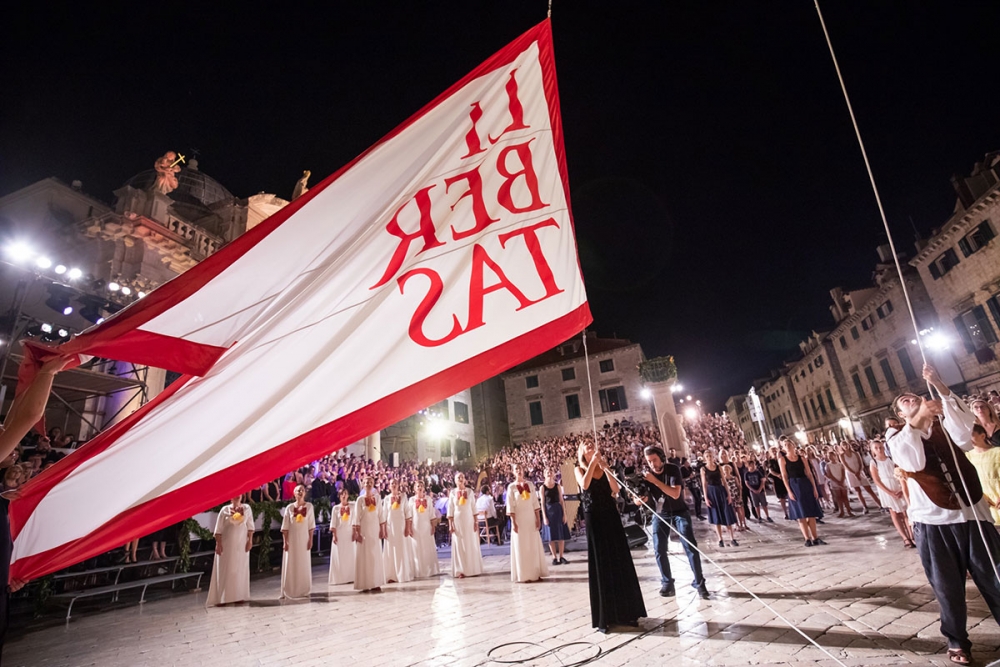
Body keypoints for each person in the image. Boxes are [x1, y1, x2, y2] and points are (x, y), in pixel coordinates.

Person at [889, 364, 1000, 665]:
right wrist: (920, 417)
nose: (914, 401)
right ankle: (957, 641)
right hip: (935, 522)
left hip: (973, 515)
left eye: (916, 397)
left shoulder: (945, 423)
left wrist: (939, 385)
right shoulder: (898, 437)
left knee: (996, 576)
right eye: (906, 402)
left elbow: (966, 433)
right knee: (948, 587)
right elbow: (910, 458)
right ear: (901, 415)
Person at [575, 440, 646, 633]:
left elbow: (615, 490)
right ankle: (604, 617)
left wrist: (606, 469)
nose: (591, 446)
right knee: (600, 562)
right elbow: (585, 484)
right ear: (582, 452)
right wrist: (592, 464)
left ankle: (626, 612)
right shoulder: (579, 469)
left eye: (592, 444)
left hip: (609, 514)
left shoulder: (603, 465)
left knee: (618, 559)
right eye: (587, 446)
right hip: (594, 518)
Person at [640, 446, 709, 599]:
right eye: (649, 462)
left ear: (662, 458)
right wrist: (639, 499)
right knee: (659, 548)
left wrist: (655, 481)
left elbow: (675, 493)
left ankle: (699, 582)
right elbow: (643, 498)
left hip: (679, 511)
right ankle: (667, 582)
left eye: (654, 460)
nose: (652, 465)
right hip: (660, 513)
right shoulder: (646, 475)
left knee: (690, 545)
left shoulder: (673, 469)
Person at [207, 495, 254, 606]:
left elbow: (250, 526)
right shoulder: (225, 510)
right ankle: (222, 597)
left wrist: (250, 541)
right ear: (230, 498)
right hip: (226, 544)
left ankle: (238, 595)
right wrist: (218, 544)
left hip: (241, 545)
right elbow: (218, 529)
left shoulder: (247, 508)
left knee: (239, 569)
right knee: (225, 569)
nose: (237, 496)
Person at [779, 437, 825, 547]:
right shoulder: (783, 460)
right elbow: (784, 476)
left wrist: (814, 488)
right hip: (794, 485)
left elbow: (809, 473)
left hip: (805, 484)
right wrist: (789, 491)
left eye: (789, 444)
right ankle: (807, 538)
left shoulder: (802, 458)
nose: (788, 446)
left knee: (811, 513)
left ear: (794, 445)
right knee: (801, 514)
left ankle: (815, 537)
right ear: (784, 448)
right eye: (785, 445)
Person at [506, 464, 547, 583]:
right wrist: (513, 522)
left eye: (520, 469)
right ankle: (523, 574)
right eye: (516, 469)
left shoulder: (529, 485)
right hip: (519, 519)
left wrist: (538, 519)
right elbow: (511, 506)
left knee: (532, 545)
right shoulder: (511, 487)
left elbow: (535, 502)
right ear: (513, 472)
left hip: (530, 518)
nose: (519, 471)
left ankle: (535, 572)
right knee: (521, 546)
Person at [868, 439, 914, 548]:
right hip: (886, 487)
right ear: (872, 450)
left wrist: (901, 489)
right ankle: (905, 538)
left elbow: (899, 472)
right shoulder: (873, 462)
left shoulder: (891, 459)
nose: (879, 449)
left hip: (896, 485)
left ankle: (912, 535)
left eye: (881, 447)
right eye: (876, 448)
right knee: (894, 513)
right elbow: (876, 480)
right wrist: (890, 492)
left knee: (905, 512)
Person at [280, 484, 315, 599]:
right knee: (291, 562)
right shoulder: (289, 508)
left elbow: (311, 525)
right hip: (292, 540)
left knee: (302, 562)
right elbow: (285, 526)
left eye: (302, 490)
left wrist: (311, 539)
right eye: (298, 490)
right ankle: (290, 588)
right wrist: (285, 542)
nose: (300, 492)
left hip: (304, 538)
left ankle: (303, 589)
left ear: (305, 493)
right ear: (294, 493)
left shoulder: (309, 507)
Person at [352, 475, 387, 592]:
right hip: (364, 530)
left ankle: (376, 582)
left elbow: (381, 514)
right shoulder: (360, 500)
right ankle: (365, 583)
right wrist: (357, 533)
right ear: (363, 484)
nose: (368, 484)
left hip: (375, 530)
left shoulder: (377, 498)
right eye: (366, 482)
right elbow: (356, 517)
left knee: (375, 555)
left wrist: (382, 529)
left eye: (370, 482)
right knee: (364, 556)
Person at [447, 472, 484, 578]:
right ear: (455, 480)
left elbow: (473, 507)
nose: (461, 478)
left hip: (469, 520)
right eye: (458, 477)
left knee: (470, 542)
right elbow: (450, 509)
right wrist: (450, 524)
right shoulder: (453, 493)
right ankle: (460, 570)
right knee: (459, 544)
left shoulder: (469, 491)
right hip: (458, 520)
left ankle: (472, 569)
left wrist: (476, 521)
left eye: (462, 477)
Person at [702, 449, 738, 547]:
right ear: (705, 458)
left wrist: (729, 494)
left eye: (711, 455)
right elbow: (704, 484)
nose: (709, 458)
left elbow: (724, 481)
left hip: (720, 490)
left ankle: (732, 538)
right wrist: (706, 497)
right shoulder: (703, 469)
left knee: (727, 513)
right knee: (716, 515)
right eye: (707, 456)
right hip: (711, 492)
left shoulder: (718, 467)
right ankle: (720, 539)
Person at [382, 478, 415, 584]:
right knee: (391, 550)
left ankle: (402, 574)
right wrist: (383, 530)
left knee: (401, 549)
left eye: (396, 483)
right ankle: (391, 575)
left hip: (401, 527)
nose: (394, 485)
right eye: (392, 483)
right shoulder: (387, 499)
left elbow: (407, 513)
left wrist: (408, 528)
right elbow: (384, 515)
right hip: (390, 528)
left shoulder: (403, 497)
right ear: (389, 486)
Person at [967, 425, 1000, 526]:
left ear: (982, 436)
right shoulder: (968, 456)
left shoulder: (997, 452)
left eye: (971, 435)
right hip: (985, 502)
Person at [409, 481, 440, 578]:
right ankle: (418, 571)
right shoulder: (411, 500)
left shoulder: (428, 499)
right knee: (416, 547)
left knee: (427, 547)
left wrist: (433, 526)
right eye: (418, 486)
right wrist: (409, 527)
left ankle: (428, 570)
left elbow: (431, 513)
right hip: (415, 526)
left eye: (422, 486)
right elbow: (409, 515)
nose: (420, 487)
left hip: (426, 526)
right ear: (414, 488)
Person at [539, 466, 570, 565]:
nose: (549, 473)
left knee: (561, 535)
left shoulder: (557, 486)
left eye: (551, 471)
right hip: (548, 510)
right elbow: (542, 503)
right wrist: (544, 516)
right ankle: (554, 557)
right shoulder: (542, 488)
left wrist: (564, 514)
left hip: (558, 510)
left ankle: (561, 556)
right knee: (550, 536)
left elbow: (561, 500)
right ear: (544, 474)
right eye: (547, 472)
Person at [841, 442, 880, 514]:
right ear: (842, 447)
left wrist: (858, 472)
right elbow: (845, 466)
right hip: (851, 474)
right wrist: (854, 473)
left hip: (859, 471)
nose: (845, 446)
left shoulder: (855, 453)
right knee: (858, 491)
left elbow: (861, 463)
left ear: (848, 445)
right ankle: (864, 507)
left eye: (846, 444)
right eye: (843, 445)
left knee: (869, 489)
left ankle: (880, 505)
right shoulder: (842, 456)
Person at [328, 488, 355, 585]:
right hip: (340, 533)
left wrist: (355, 532)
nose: (344, 496)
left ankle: (350, 576)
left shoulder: (352, 507)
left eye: (345, 494)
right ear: (339, 496)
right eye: (342, 494)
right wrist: (334, 535)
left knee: (350, 554)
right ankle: (339, 578)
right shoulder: (336, 508)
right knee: (339, 555)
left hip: (349, 533)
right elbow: (334, 523)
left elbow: (355, 520)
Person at [824, 449, 853, 518]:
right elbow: (829, 474)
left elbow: (843, 473)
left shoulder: (840, 464)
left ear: (835, 456)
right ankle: (841, 511)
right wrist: (837, 481)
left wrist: (842, 480)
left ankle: (849, 511)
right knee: (838, 497)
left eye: (832, 456)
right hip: (834, 482)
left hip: (842, 481)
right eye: (829, 456)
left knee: (845, 497)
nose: (831, 457)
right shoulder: (828, 465)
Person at [743, 457, 771, 522]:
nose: (752, 466)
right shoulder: (747, 474)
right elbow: (746, 483)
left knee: (764, 504)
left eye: (753, 464)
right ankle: (759, 517)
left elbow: (762, 480)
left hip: (760, 490)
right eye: (750, 465)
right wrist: (753, 490)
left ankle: (767, 516)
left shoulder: (757, 472)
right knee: (756, 505)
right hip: (753, 491)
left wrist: (760, 489)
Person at [766, 448, 789, 519]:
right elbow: (770, 470)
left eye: (775, 450)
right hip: (777, 480)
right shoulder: (771, 461)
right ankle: (785, 512)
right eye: (772, 451)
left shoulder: (783, 458)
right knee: (782, 497)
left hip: (786, 478)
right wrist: (777, 475)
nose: (774, 452)